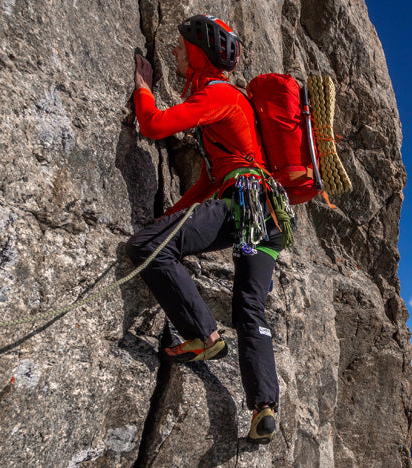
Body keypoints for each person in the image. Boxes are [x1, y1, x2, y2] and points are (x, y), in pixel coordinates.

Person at [126, 14, 282, 444]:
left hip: (243, 205)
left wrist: (142, 85)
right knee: (250, 308)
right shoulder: (233, 103)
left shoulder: (219, 94)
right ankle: (263, 408)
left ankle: (202, 334)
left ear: (198, 51)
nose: (174, 51)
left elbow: (154, 124)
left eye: (180, 46)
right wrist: (171, 215)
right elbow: (208, 183)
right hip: (268, 220)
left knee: (148, 247)